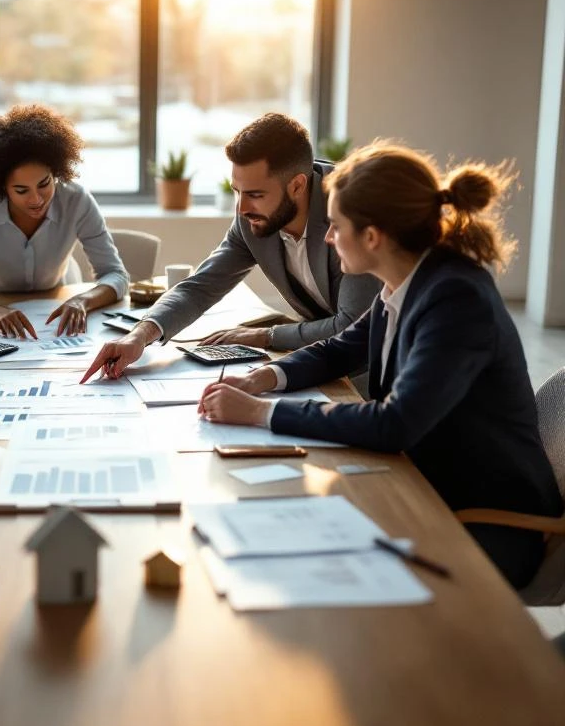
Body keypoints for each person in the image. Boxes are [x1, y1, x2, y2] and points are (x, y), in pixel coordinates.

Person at [197, 143, 562, 588]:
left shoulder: (455, 299)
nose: (328, 238)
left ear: (373, 237)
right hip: (426, 484)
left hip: (487, 520)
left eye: (335, 226)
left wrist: (260, 413)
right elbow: (339, 349)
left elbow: (394, 423)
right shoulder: (411, 281)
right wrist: (265, 377)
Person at [82, 113, 379, 382]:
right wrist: (140, 335)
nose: (242, 208)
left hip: (373, 369)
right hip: (320, 360)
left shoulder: (350, 211)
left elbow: (351, 327)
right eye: (237, 191)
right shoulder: (252, 220)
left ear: (298, 186)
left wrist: (266, 336)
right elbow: (199, 287)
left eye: (255, 194)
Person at [0, 104, 129, 338]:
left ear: (56, 172)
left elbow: (116, 275)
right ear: (1, 186)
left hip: (59, 303)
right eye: (21, 190)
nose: (36, 199)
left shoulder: (76, 198)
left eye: (44, 184)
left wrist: (83, 301)